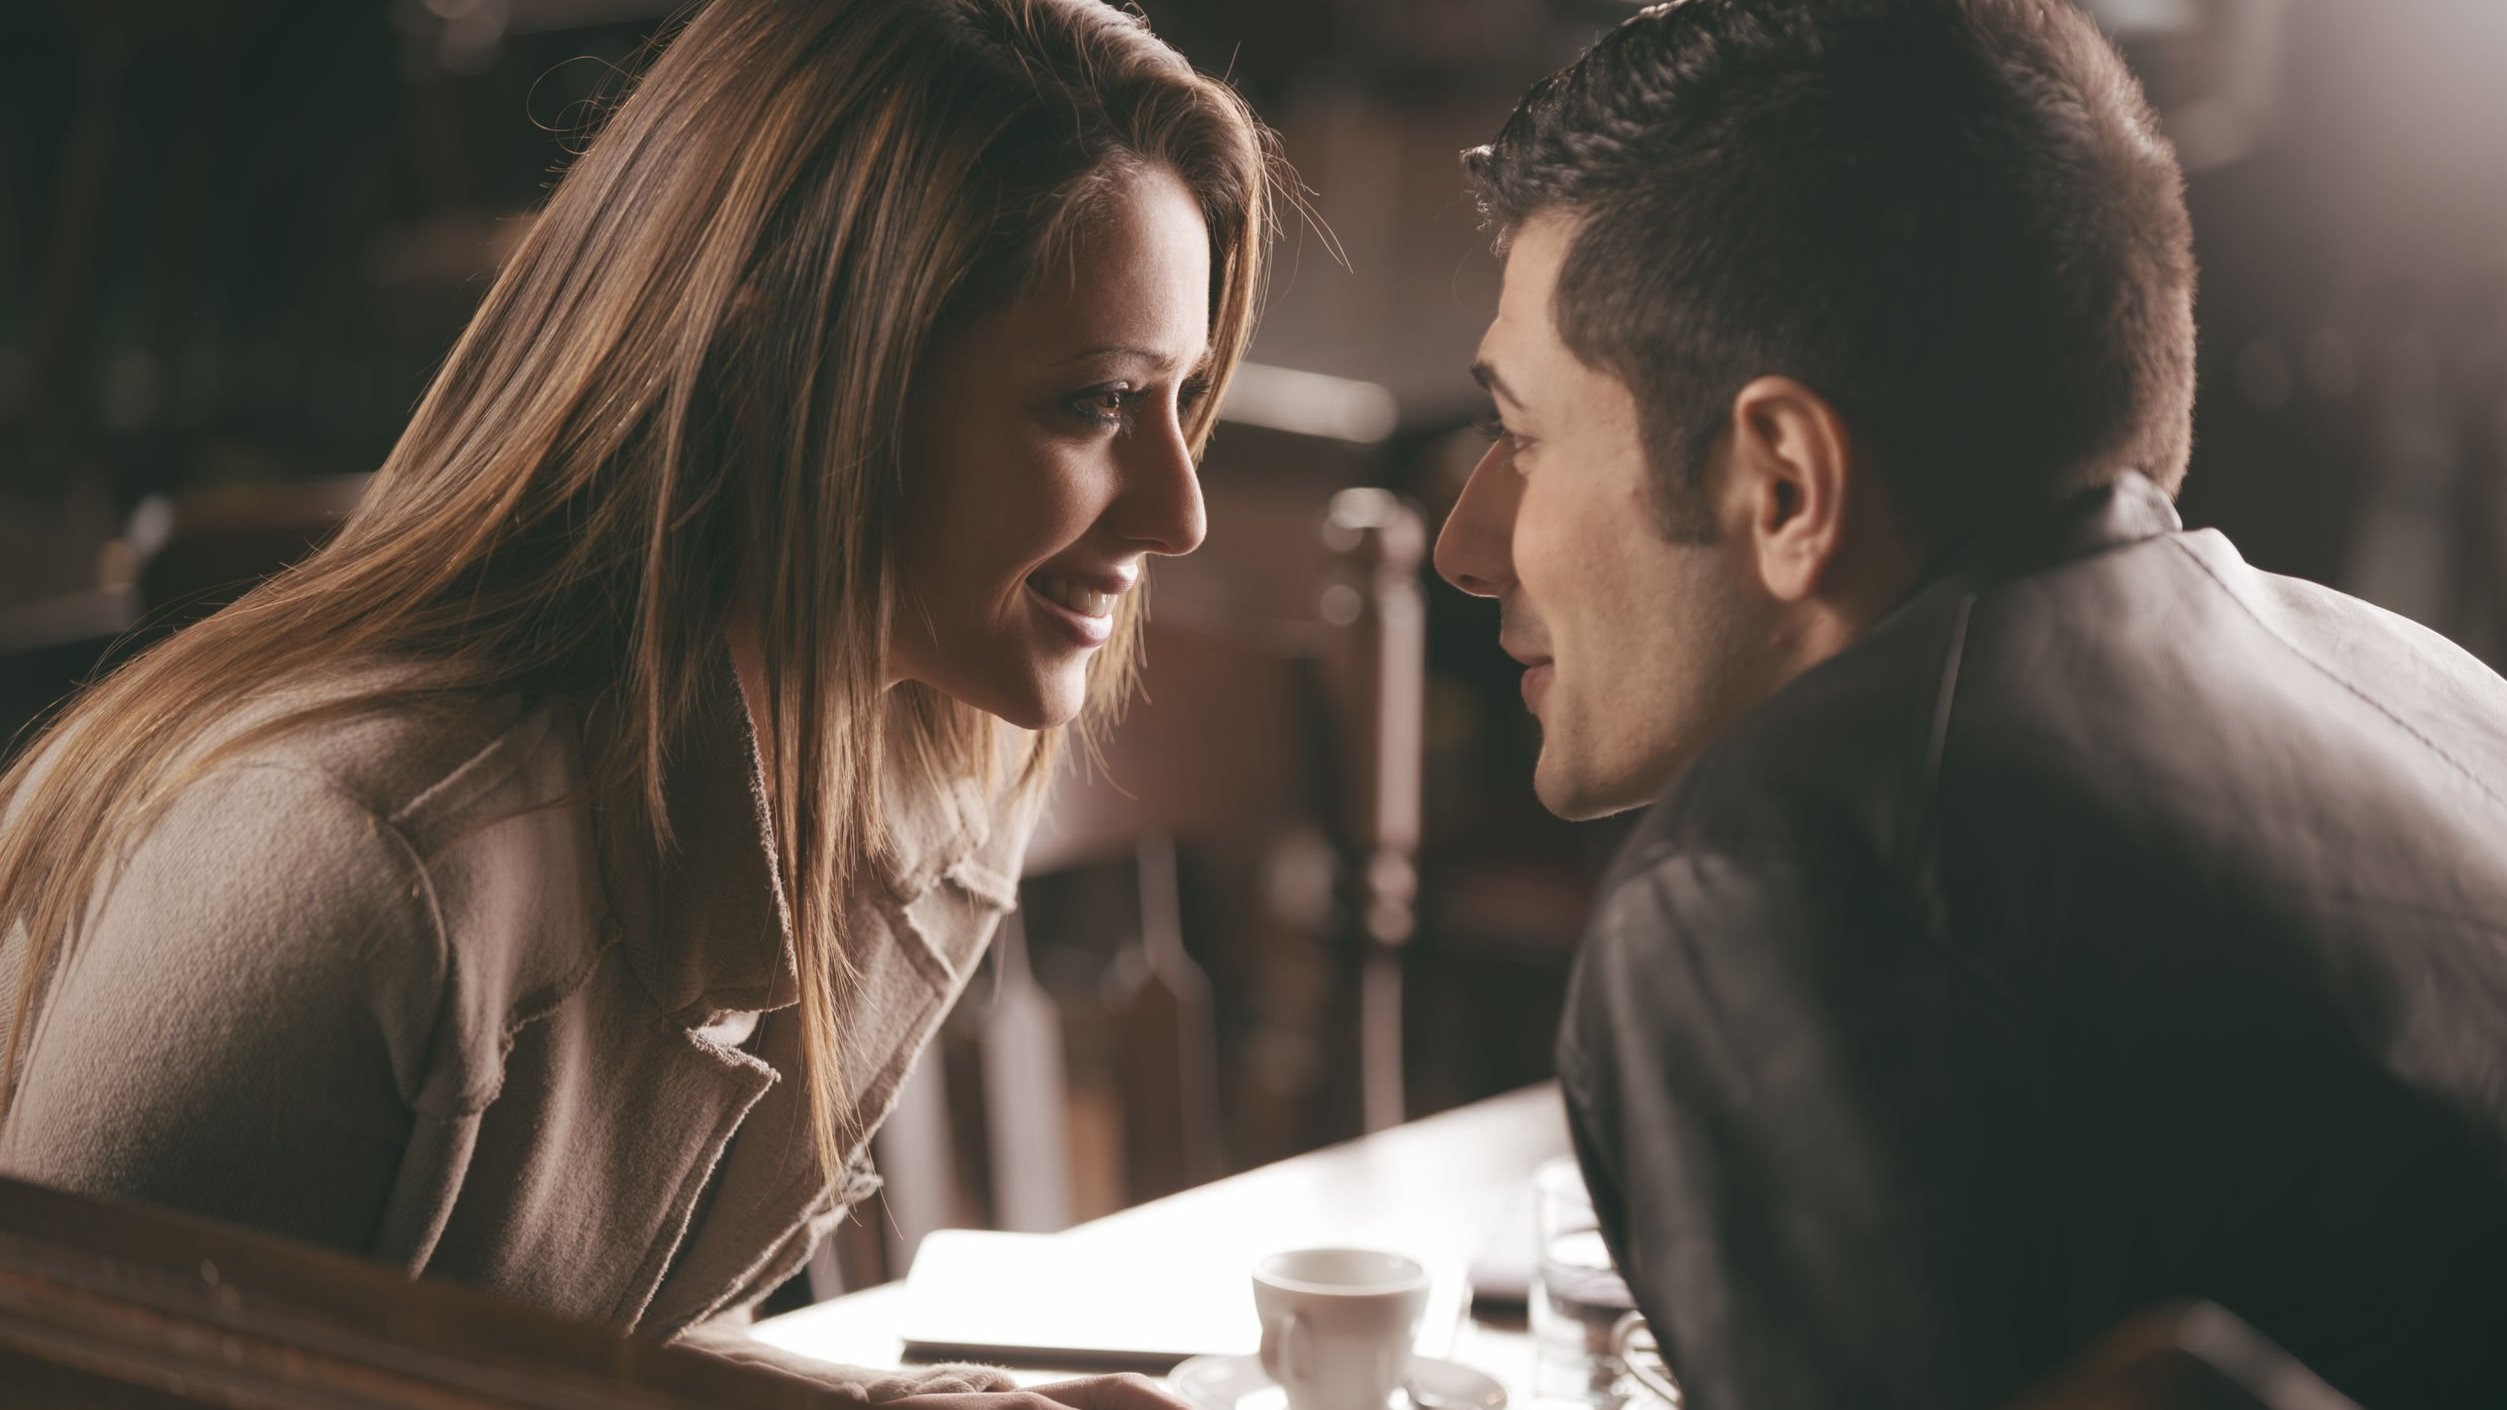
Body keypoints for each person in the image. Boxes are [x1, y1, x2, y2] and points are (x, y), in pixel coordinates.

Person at [0, 0, 1272, 1400]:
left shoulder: (911, 772)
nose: (1182, 511)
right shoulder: (354, 868)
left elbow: (522, 1352)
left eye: (1182, 397)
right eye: (1096, 402)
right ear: (773, 373)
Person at [1434, 1, 2507, 1406]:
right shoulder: (2448, 702)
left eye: (1520, 434)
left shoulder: (1786, 875)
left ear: (1786, 487)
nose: (1462, 541)